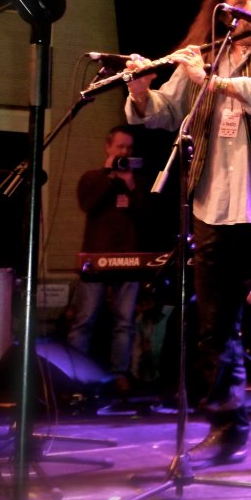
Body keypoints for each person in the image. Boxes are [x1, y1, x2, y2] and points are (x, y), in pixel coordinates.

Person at [124, 0, 251, 477]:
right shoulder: (203, 57)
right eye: (239, 2)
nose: (250, 7)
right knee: (213, 330)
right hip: (212, 207)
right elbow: (166, 111)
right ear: (223, 12)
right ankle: (227, 432)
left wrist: (210, 81)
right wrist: (141, 91)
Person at [68, 124, 149, 403]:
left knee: (124, 322)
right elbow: (88, 204)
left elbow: (147, 216)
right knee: (84, 320)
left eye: (129, 148)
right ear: (108, 147)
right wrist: (108, 175)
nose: (124, 152)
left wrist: (130, 184)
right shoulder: (92, 178)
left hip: (129, 260)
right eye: (120, 147)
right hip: (96, 259)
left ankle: (119, 373)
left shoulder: (136, 181)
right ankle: (74, 374)